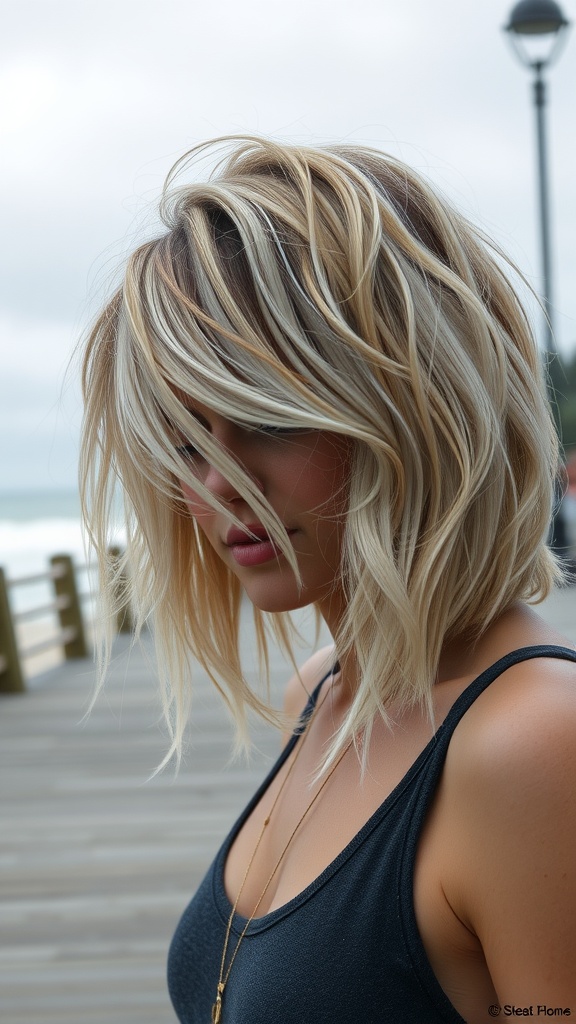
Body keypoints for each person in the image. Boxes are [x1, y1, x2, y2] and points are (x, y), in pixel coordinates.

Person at [80, 136, 576, 1023]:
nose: (214, 486)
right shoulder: (323, 693)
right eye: (186, 443)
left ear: (418, 403)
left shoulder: (535, 742)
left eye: (265, 419)